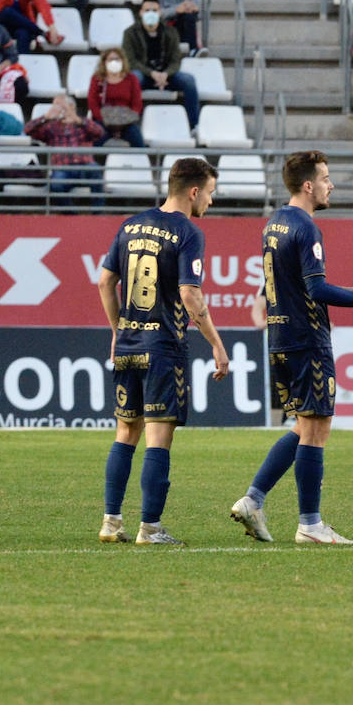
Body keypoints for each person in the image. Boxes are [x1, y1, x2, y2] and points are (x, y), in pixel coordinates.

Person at [229, 152, 353, 545]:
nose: (330, 184)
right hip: (306, 340)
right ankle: (310, 524)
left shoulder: (274, 224)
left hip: (279, 339)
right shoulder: (305, 228)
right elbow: (315, 288)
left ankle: (253, 500)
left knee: (303, 425)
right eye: (325, 178)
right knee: (317, 429)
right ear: (308, 185)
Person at [96, 157, 229, 546]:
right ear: (193, 191)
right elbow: (189, 293)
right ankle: (150, 528)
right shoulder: (188, 232)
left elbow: (105, 282)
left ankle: (111, 522)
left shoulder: (130, 224)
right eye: (210, 193)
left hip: (129, 345)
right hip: (163, 348)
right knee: (158, 438)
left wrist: (117, 329)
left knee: (125, 432)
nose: (211, 201)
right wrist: (216, 343)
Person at [123, 0, 200, 128]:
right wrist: (152, 73)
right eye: (147, 10)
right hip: (144, 75)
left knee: (189, 80)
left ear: (159, 13)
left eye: (154, 10)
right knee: (134, 78)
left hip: (166, 76)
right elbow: (131, 61)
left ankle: (194, 126)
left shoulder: (170, 32)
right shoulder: (130, 33)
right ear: (141, 12)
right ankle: (132, 125)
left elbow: (176, 60)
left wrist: (165, 74)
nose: (151, 14)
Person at [25, 93, 106, 207]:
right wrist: (45, 117)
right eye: (54, 105)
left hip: (85, 165)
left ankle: (98, 214)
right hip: (62, 168)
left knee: (96, 171)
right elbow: (28, 130)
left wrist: (77, 120)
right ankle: (70, 215)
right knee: (55, 184)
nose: (56, 108)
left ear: (71, 106)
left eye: (59, 105)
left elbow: (100, 132)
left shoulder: (83, 123)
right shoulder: (51, 126)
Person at [88, 47, 144, 146]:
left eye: (117, 59)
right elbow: (93, 103)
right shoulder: (97, 79)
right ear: (104, 62)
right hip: (103, 121)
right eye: (110, 59)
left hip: (126, 122)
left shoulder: (131, 79)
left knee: (137, 139)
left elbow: (137, 104)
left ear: (122, 61)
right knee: (95, 140)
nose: (114, 62)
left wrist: (124, 121)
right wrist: (105, 120)